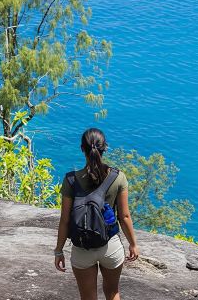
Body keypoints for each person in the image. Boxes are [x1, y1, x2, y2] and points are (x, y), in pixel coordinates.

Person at [54, 128, 139, 300]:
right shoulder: (118, 177)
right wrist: (133, 244)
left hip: (82, 248)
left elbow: (64, 220)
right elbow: (124, 217)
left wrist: (58, 251)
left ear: (82, 149)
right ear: (104, 148)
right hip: (110, 246)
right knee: (113, 292)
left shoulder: (71, 180)